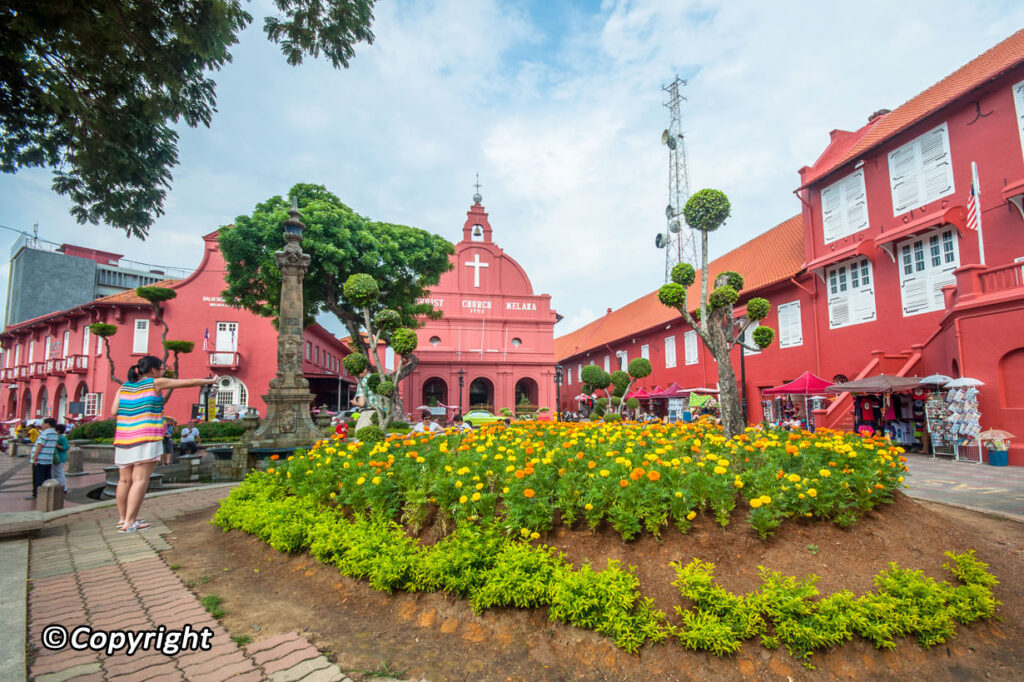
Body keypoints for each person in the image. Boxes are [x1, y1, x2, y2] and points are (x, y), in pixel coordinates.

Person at [112, 356, 216, 533]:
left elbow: (114, 411)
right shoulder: (155, 383)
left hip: (123, 437)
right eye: (161, 368)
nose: (162, 371)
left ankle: (123, 519)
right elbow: (187, 382)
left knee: (124, 480)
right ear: (153, 370)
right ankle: (130, 522)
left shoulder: (124, 387)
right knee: (140, 480)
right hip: (145, 437)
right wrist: (211, 380)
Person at [28, 417, 59, 499]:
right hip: (48, 459)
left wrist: (35, 456)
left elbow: (40, 445)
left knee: (38, 477)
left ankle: (36, 493)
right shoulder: (55, 434)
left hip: (40, 459)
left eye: (43, 423)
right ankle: (47, 493)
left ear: (47, 424)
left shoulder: (45, 433)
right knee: (47, 476)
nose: (42, 425)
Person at [52, 424, 70, 495]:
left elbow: (66, 447)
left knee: (59, 473)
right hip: (55, 458)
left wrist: (57, 446)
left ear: (58, 431)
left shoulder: (62, 438)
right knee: (54, 473)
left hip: (59, 458)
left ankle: (64, 488)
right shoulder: (57, 437)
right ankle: (57, 487)